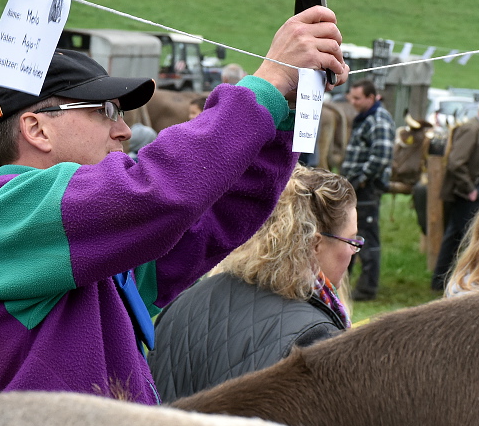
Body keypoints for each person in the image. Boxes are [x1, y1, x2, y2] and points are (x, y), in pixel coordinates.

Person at [0, 7, 347, 404]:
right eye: (106, 110)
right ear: (37, 129)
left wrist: (287, 109)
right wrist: (270, 79)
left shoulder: (82, 243)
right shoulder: (4, 210)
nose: (125, 129)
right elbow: (160, 189)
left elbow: (215, 217)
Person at [147, 166, 357, 402]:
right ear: (315, 244)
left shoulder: (183, 301)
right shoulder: (315, 336)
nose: (353, 251)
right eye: (351, 241)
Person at [430, 96, 479, 290]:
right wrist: (469, 188)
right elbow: (456, 162)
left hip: (472, 195)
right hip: (465, 197)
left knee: (455, 237)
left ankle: (441, 280)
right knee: (466, 239)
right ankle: (457, 281)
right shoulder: (472, 130)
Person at [340, 79, 394, 300]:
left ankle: (367, 288)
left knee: (367, 237)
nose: (353, 102)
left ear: (371, 98)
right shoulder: (365, 118)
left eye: (357, 98)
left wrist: (361, 180)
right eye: (351, 97)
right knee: (351, 234)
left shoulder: (378, 120)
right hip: (356, 185)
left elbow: (381, 157)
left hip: (367, 188)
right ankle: (346, 282)